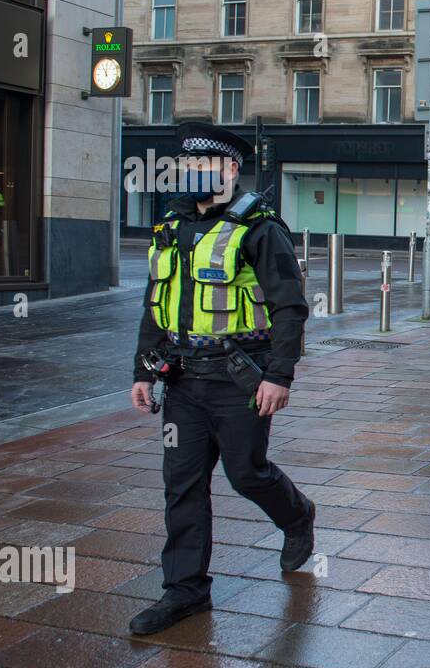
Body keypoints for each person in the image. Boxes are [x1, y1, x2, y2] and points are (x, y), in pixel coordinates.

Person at [128, 122, 314, 635]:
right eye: (187, 166)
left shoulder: (260, 227)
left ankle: (297, 516)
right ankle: (184, 591)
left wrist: (280, 376)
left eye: (205, 165)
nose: (194, 173)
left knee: (246, 472)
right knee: (181, 486)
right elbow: (155, 306)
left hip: (241, 380)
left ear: (230, 170)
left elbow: (290, 307)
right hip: (184, 381)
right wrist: (144, 371)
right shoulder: (171, 227)